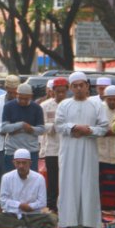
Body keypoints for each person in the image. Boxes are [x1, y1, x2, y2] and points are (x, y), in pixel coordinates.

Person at [55, 71, 108, 228]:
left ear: (87, 87)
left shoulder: (96, 105)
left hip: (89, 150)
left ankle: (89, 223)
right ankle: (68, 221)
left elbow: (104, 127)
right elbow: (58, 126)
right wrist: (74, 128)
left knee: (88, 185)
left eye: (81, 85)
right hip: (69, 150)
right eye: (75, 86)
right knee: (68, 183)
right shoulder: (64, 105)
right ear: (70, 88)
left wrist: (89, 130)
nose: (78, 89)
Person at [0, 149, 58, 228]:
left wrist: (30, 207)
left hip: (33, 215)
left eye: (24, 163)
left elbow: (42, 203)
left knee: (51, 218)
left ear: (30, 163)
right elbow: (3, 201)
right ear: (14, 163)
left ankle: (20, 225)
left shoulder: (39, 178)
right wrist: (19, 205)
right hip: (13, 214)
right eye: (18, 163)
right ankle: (26, 225)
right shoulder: (6, 177)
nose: (21, 166)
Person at [0, 83, 45, 172]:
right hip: (12, 150)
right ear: (17, 94)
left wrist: (30, 129)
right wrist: (21, 125)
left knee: (31, 181)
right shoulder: (9, 106)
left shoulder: (37, 108)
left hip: (31, 151)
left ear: (31, 96)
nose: (23, 101)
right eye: (20, 98)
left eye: (26, 99)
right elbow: (4, 128)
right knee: (11, 179)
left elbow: (41, 130)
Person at [39, 77, 68, 212]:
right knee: (52, 179)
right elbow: (41, 127)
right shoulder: (45, 106)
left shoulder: (70, 105)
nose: (61, 95)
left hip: (68, 148)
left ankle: (65, 205)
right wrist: (55, 125)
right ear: (53, 91)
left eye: (63, 92)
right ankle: (52, 206)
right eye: (58, 92)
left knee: (66, 179)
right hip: (51, 148)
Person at [0, 75, 20, 202]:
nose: (12, 94)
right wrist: (2, 129)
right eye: (10, 91)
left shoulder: (22, 101)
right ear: (6, 87)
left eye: (15, 92)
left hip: (16, 143)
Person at [98, 85, 115, 212]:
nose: (112, 102)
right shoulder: (98, 108)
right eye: (109, 99)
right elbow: (97, 130)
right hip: (101, 154)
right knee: (101, 184)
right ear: (104, 98)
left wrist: (110, 131)